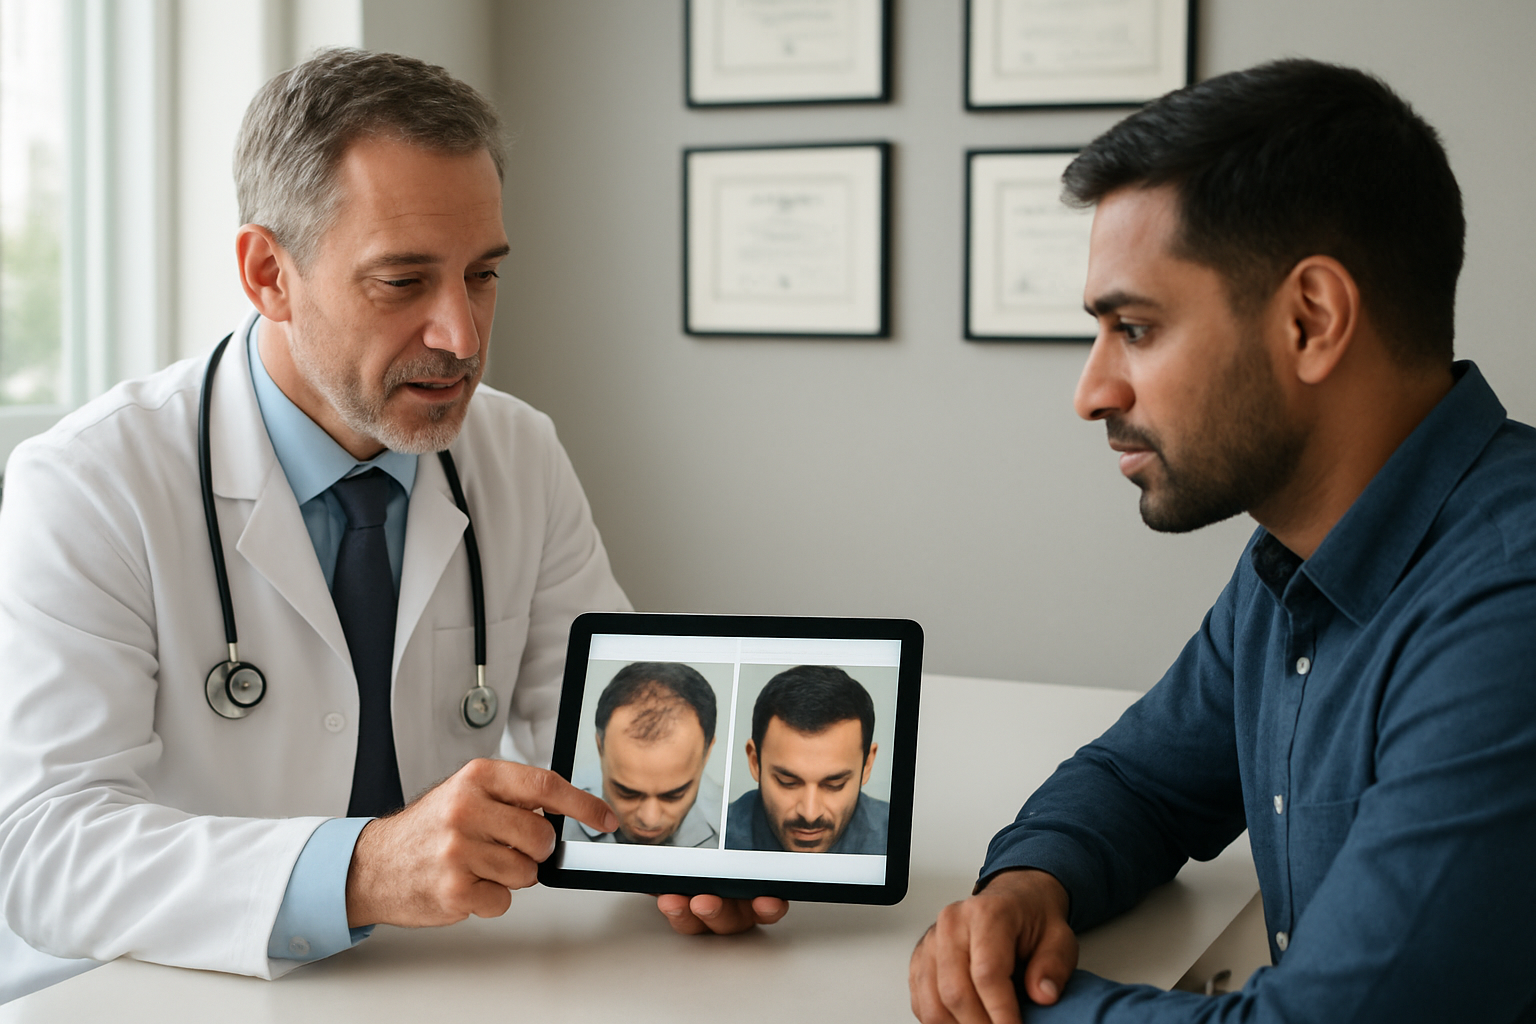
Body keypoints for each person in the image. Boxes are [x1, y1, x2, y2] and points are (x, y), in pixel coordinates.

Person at [909, 59, 1536, 1023]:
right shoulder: (1293, 562)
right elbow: (1138, 780)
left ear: (1310, 319)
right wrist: (1027, 887)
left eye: (1136, 328)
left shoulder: (1509, 603)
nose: (1092, 392)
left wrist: (999, 1002)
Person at [0, 49, 634, 1002]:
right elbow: (44, 848)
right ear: (269, 274)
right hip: (146, 991)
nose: (461, 335)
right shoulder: (92, 481)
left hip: (428, 983)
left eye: (483, 274)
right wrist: (365, 868)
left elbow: (601, 738)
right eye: (402, 282)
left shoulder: (517, 451)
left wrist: (691, 848)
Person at [724, 665, 888, 855]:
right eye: (788, 782)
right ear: (755, 762)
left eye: (835, 784)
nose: (810, 814)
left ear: (867, 765)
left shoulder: (897, 841)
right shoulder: (717, 841)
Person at [564, 662, 722, 847]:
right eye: (626, 792)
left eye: (675, 794)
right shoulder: (557, 815)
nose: (649, 820)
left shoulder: (728, 831)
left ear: (707, 753)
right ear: (600, 748)